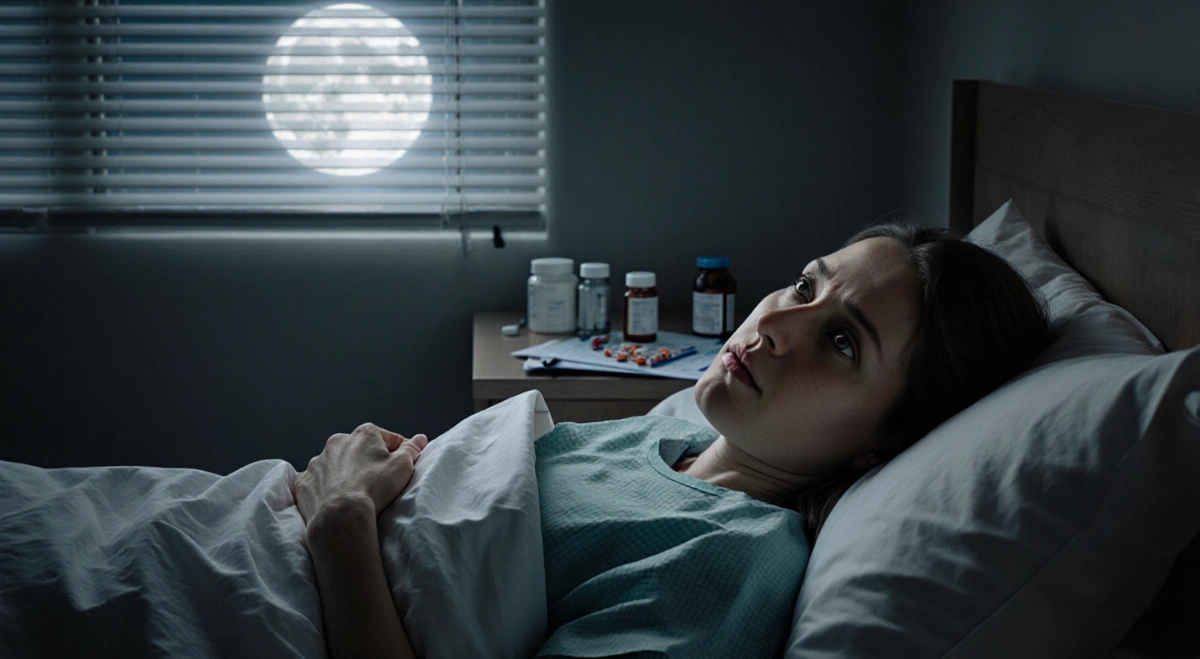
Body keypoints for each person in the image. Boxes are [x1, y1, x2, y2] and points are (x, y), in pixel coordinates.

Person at [292, 221, 1051, 659]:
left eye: (843, 344)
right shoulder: (653, 443)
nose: (776, 326)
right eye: (805, 286)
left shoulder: (722, 565)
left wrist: (342, 527)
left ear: (883, 444)